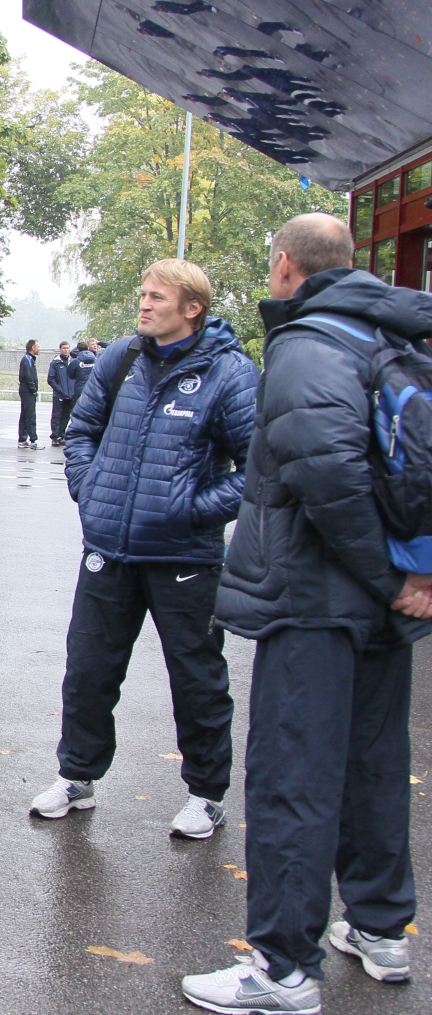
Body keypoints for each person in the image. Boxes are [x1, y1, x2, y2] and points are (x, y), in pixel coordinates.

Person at [183, 213, 432, 1013]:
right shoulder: (394, 335)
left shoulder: (305, 343)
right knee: (372, 764)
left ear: (284, 265)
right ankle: (380, 928)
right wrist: (408, 576)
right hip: (384, 601)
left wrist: (389, 577)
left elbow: (326, 476)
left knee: (295, 775)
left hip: (317, 599)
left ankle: (282, 968)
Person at [31, 259, 257, 847]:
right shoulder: (122, 357)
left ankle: (206, 796)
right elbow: (82, 430)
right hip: (109, 549)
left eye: (158, 297)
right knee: (88, 670)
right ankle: (77, 778)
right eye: (142, 295)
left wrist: (190, 510)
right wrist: (90, 488)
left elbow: (260, 466)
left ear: (192, 308)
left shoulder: (230, 373)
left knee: (197, 678)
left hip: (185, 557)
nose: (144, 305)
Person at [47, 341, 76, 446]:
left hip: (70, 395)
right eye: (64, 348)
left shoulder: (73, 362)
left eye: (68, 348)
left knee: (66, 416)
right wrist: (59, 390)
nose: (66, 350)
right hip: (59, 395)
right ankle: (54, 437)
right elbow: (51, 379)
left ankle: (61, 435)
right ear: (60, 349)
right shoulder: (55, 363)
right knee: (56, 416)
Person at [18, 339, 42, 449]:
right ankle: (34, 440)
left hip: (26, 389)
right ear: (33, 348)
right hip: (27, 390)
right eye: (38, 346)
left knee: (25, 414)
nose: (39, 348)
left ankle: (22, 439)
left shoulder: (29, 359)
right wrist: (33, 389)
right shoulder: (27, 359)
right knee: (30, 415)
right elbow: (28, 376)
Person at [70, 338, 99, 404]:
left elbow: (70, 375)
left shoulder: (97, 357)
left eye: (96, 344)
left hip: (83, 389)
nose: (95, 346)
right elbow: (72, 352)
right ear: (88, 347)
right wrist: (83, 345)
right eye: (93, 344)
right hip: (91, 389)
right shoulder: (95, 359)